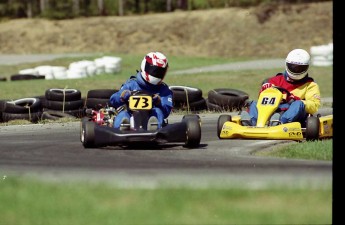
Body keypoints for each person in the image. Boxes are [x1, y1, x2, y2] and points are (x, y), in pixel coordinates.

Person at [247, 48, 321, 126]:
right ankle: (252, 122)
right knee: (254, 103)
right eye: (293, 66)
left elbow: (314, 106)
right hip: (273, 111)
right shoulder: (275, 80)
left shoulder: (310, 85)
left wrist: (294, 99)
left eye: (299, 68)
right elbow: (264, 100)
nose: (296, 70)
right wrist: (264, 90)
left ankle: (280, 122)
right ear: (287, 64)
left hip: (295, 114)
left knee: (298, 104)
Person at [109, 51, 173, 130]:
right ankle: (123, 127)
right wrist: (122, 96)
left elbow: (166, 111)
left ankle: (154, 128)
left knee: (158, 112)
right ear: (144, 66)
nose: (156, 74)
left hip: (150, 117)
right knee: (123, 114)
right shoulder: (132, 84)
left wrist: (159, 102)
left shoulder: (163, 90)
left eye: (159, 72)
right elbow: (113, 100)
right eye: (154, 70)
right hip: (131, 115)